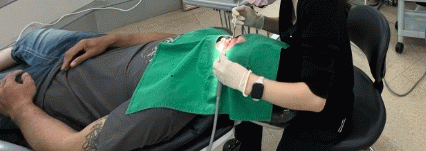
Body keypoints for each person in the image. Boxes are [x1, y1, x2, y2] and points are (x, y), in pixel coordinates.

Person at [0, 27, 287, 151]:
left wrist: (20, 107)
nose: (236, 39)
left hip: (44, 86)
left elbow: (70, 147)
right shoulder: (220, 41)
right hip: (81, 47)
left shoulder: (165, 105)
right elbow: (179, 38)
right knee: (24, 43)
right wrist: (117, 39)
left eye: (243, 51)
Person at [218, 0, 354, 151]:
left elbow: (315, 98)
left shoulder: (319, 1)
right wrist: (259, 21)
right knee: (243, 97)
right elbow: (299, 29)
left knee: (246, 88)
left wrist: (247, 82)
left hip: (327, 106)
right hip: (306, 70)